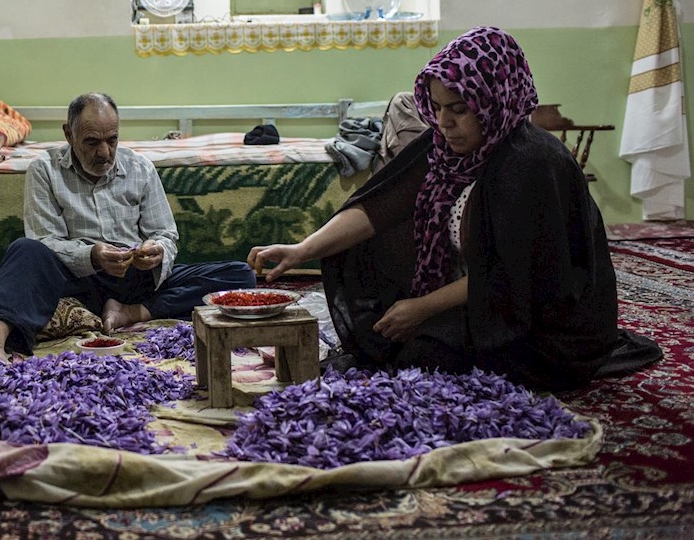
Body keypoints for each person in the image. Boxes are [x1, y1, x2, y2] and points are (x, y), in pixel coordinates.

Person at [248, 27, 661, 391]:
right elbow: (380, 207)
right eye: (438, 107)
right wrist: (303, 249)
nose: (444, 122)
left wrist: (423, 308)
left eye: (459, 110)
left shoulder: (532, 163)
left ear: (493, 101)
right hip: (482, 300)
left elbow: (513, 273)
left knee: (421, 354)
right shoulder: (444, 147)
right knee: (382, 333)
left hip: (541, 325)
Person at [0, 92, 257, 367]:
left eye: (112, 140)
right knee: (25, 249)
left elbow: (166, 235)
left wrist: (157, 251)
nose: (104, 152)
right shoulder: (46, 169)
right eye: (92, 142)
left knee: (240, 275)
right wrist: (93, 256)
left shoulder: (139, 167)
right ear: (68, 135)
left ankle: (131, 313)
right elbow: (44, 239)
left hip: (138, 279)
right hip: (81, 278)